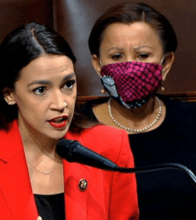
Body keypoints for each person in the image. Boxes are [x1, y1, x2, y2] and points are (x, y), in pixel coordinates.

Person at [0, 22, 138, 220]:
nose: (61, 104)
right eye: (41, 90)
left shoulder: (109, 147)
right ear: (9, 94)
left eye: (68, 85)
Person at [82, 2, 196, 219]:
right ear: (98, 65)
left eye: (142, 56)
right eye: (116, 57)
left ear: (165, 63)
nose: (130, 68)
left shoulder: (192, 121)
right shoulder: (77, 133)